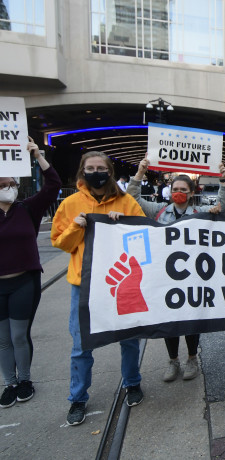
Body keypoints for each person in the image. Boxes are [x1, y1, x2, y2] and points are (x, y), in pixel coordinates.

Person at [51, 151, 146, 426]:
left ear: (109, 172)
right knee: (81, 345)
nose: (96, 172)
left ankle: (133, 382)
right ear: (83, 172)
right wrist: (75, 227)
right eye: (90, 168)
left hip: (122, 283)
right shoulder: (70, 204)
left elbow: (142, 239)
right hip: (84, 287)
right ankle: (78, 398)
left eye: (100, 168)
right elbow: (61, 243)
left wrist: (125, 224)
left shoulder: (126, 201)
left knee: (129, 338)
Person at [127, 158, 225, 382]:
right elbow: (132, 198)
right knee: (170, 321)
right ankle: (173, 360)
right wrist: (139, 174)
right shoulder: (158, 210)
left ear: (192, 191)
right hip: (166, 277)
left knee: (191, 319)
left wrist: (223, 181)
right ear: (169, 191)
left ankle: (192, 358)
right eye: (175, 189)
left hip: (192, 275)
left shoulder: (201, 211)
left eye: (183, 190)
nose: (178, 192)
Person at [0, 138, 61, 408]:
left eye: (12, 184)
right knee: (2, 339)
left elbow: (53, 187)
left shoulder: (27, 209)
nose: (9, 188)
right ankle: (9, 383)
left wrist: (38, 156)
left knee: (18, 335)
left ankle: (24, 380)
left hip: (25, 281)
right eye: (3, 185)